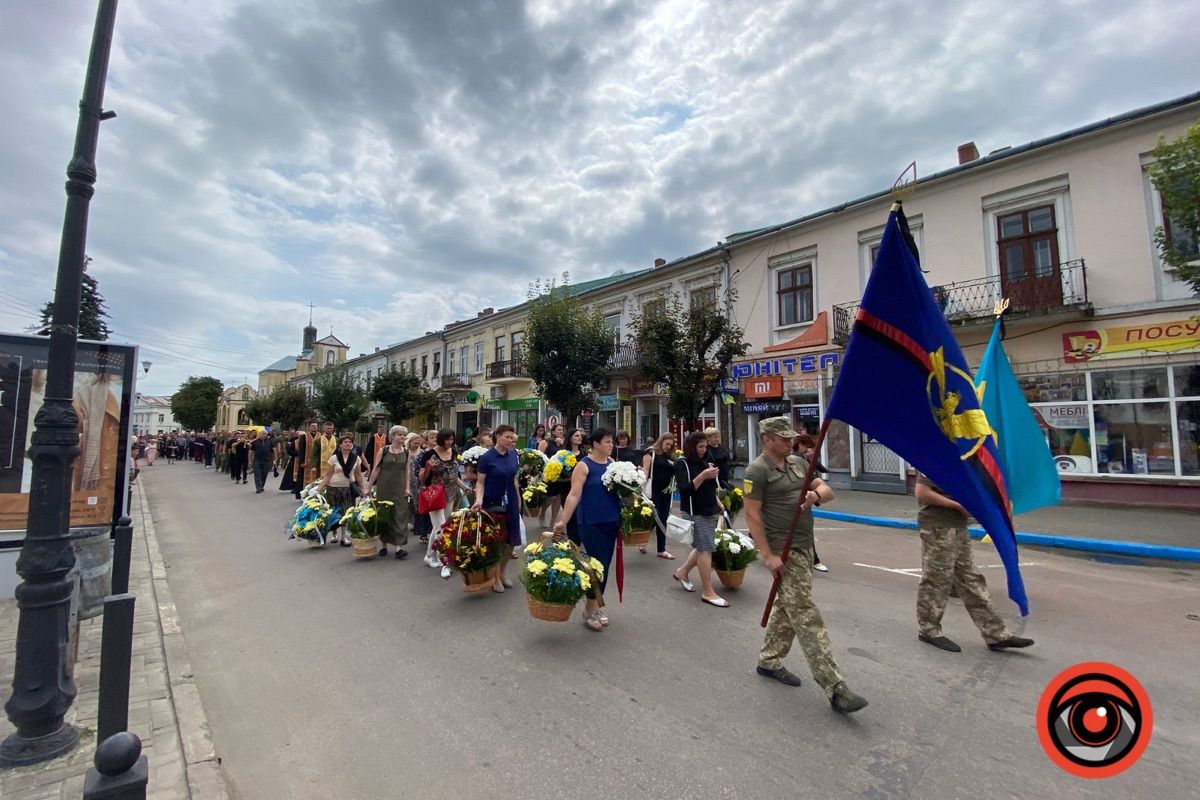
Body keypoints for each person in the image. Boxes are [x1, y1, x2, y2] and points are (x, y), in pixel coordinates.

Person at [744, 416, 868, 714]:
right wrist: (767, 555)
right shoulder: (757, 471)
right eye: (783, 438)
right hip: (781, 551)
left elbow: (826, 489)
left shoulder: (799, 464)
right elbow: (752, 515)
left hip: (803, 547)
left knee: (788, 608)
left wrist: (815, 495)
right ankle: (835, 687)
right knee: (805, 613)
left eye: (791, 438)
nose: (790, 442)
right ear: (767, 440)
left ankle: (769, 660)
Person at [914, 475, 1035, 654]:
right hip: (937, 527)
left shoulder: (960, 460)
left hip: (958, 526)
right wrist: (957, 506)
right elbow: (922, 493)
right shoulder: (935, 457)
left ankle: (995, 634)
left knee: (971, 580)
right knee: (937, 579)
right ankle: (928, 629)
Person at [553, 428, 621, 632]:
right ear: (596, 444)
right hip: (591, 522)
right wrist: (562, 522)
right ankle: (590, 610)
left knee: (605, 566)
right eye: (607, 441)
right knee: (596, 567)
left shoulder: (612, 464)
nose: (611, 445)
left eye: (612, 442)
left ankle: (595, 606)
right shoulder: (583, 466)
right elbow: (574, 495)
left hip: (611, 520)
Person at [671, 432, 727, 607]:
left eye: (705, 446)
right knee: (705, 548)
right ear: (691, 447)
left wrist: (719, 503)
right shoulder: (682, 464)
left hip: (709, 507)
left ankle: (683, 571)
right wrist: (703, 475)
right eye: (700, 446)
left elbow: (710, 488)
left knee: (704, 544)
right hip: (695, 511)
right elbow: (685, 490)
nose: (704, 450)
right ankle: (708, 591)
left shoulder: (706, 460)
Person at [472, 424, 522, 592]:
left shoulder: (514, 454)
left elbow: (514, 479)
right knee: (497, 540)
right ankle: (494, 576)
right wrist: (478, 500)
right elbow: (480, 482)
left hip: (511, 501)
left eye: (512, 437)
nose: (510, 440)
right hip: (492, 502)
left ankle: (502, 572)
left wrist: (519, 501)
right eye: (507, 437)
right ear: (498, 436)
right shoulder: (487, 458)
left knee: (511, 541)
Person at [419, 429, 468, 576]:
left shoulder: (453, 452)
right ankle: (442, 557)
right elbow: (421, 477)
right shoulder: (429, 454)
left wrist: (464, 487)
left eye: (452, 439)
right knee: (440, 526)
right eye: (447, 439)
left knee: (442, 526)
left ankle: (429, 555)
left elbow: (454, 474)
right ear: (441, 439)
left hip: (450, 493)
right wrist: (428, 467)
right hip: (435, 494)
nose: (449, 442)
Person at [316, 434, 369, 546]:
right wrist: (318, 488)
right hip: (333, 488)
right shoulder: (334, 458)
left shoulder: (356, 458)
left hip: (348, 489)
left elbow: (358, 475)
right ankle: (334, 535)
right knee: (333, 512)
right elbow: (328, 475)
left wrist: (363, 489)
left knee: (346, 513)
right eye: (345, 442)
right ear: (340, 445)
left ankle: (343, 537)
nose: (348, 444)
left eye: (350, 442)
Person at [367, 425, 412, 559]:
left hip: (400, 487)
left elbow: (407, 471)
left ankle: (398, 547)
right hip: (384, 486)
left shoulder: (406, 452)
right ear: (393, 436)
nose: (402, 437)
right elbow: (376, 469)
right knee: (384, 515)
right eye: (400, 435)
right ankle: (384, 545)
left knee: (400, 515)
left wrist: (407, 488)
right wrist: (368, 486)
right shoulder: (384, 450)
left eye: (404, 435)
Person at [793, 434, 829, 573]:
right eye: (807, 446)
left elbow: (814, 471)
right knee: (803, 529)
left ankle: (813, 559)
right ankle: (814, 560)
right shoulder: (794, 458)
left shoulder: (803, 458)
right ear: (800, 444)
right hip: (793, 500)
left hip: (803, 499)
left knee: (804, 528)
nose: (809, 449)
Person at [640, 432, 677, 559]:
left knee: (663, 518)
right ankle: (647, 542)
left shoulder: (671, 456)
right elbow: (645, 470)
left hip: (667, 492)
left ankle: (660, 548)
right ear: (661, 442)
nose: (668, 447)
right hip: (653, 490)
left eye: (670, 445)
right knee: (655, 517)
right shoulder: (651, 453)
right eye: (667, 444)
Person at [550, 428, 586, 542]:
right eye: (576, 436)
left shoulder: (584, 454)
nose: (579, 438)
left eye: (580, 436)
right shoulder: (562, 454)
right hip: (567, 490)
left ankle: (579, 538)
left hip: (582, 491)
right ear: (570, 438)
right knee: (571, 516)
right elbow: (556, 471)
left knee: (580, 515)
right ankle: (573, 540)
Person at [310, 422, 337, 487]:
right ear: (324, 429)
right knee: (320, 482)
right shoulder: (318, 441)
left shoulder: (337, 440)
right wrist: (313, 466)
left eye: (331, 428)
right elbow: (314, 454)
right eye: (328, 428)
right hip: (320, 466)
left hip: (334, 465)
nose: (330, 430)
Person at [249, 429, 273, 493]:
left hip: (266, 460)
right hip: (257, 460)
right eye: (262, 433)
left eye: (265, 434)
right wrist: (250, 460)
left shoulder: (269, 441)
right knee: (257, 474)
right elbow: (251, 451)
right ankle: (258, 488)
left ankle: (261, 486)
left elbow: (273, 450)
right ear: (259, 435)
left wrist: (275, 458)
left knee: (264, 474)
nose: (264, 435)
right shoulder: (255, 441)